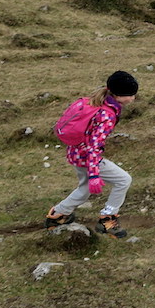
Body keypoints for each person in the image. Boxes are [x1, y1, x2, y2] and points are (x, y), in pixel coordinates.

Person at [45, 70, 139, 239]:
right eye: (130, 95)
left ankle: (58, 215)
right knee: (123, 180)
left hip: (75, 153)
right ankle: (107, 220)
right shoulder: (107, 115)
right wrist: (94, 173)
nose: (133, 99)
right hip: (87, 157)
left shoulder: (96, 101)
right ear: (118, 95)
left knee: (84, 189)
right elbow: (94, 146)